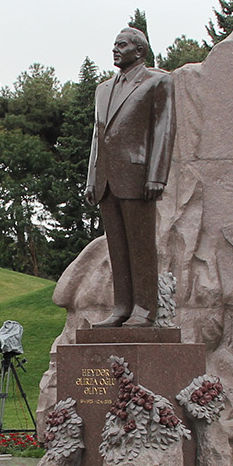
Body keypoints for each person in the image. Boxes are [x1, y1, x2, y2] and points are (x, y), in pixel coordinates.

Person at [86, 26, 175, 327]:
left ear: (139, 51)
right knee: (118, 248)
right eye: (114, 44)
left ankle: (145, 309)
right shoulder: (102, 89)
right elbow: (98, 135)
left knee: (141, 247)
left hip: (137, 177)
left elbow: (164, 129)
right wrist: (91, 178)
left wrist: (157, 175)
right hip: (106, 179)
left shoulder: (158, 82)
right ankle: (121, 307)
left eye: (122, 45)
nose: (115, 49)